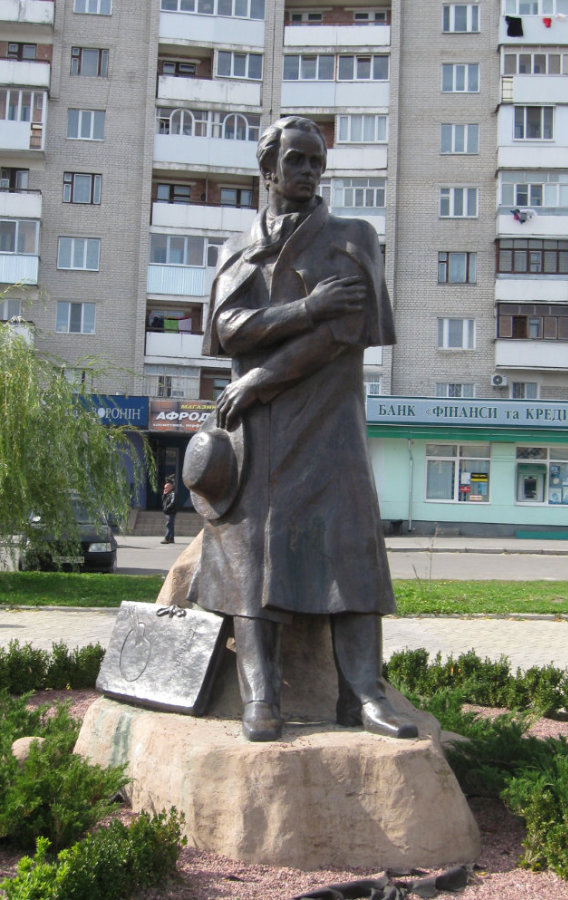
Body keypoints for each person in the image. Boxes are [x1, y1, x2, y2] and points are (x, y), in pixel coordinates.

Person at [186, 116, 418, 743]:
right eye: (297, 159)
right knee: (250, 552)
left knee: (351, 548)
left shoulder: (352, 237)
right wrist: (308, 308)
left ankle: (363, 694)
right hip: (257, 432)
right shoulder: (237, 249)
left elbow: (346, 333)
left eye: (317, 160)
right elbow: (230, 328)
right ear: (268, 170)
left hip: (328, 422)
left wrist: (259, 379)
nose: (310, 170)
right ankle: (262, 696)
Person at [161, 476, 177, 544]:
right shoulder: (167, 494)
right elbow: (163, 501)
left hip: (171, 511)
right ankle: (171, 538)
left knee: (168, 525)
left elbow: (173, 502)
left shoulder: (173, 494)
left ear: (170, 487)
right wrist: (164, 494)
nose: (165, 489)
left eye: (166, 487)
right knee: (171, 525)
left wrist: (167, 507)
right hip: (168, 512)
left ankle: (166, 538)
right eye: (164, 488)